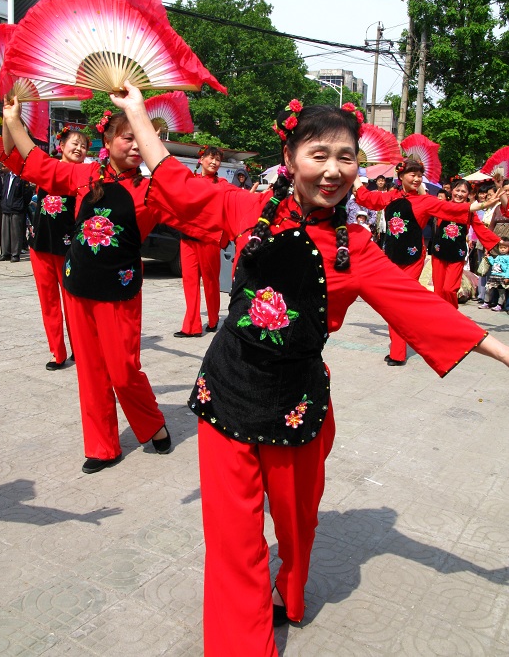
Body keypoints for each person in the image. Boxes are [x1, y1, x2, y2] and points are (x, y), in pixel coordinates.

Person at [107, 82, 509, 657]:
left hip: (297, 405)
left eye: (345, 157)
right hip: (226, 390)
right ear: (290, 158)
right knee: (233, 545)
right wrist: (137, 112)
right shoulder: (244, 209)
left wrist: (502, 352)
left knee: (295, 530)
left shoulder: (359, 247)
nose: (332, 169)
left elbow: (419, 307)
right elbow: (174, 177)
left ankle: (289, 593)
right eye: (318, 154)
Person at [2, 101, 172, 474]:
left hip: (120, 291)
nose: (134, 146)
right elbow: (37, 163)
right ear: (108, 141)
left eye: (140, 140)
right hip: (78, 286)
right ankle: (102, 445)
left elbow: (201, 208)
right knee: (91, 371)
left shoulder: (155, 189)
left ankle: (150, 422)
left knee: (123, 370)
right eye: (127, 138)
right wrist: (12, 121)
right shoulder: (85, 175)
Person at [355, 159, 500, 366]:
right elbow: (366, 198)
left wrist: (485, 204)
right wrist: (352, 175)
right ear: (401, 176)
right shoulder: (389, 196)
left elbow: (455, 209)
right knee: (391, 304)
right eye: (412, 174)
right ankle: (405, 343)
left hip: (413, 258)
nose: (416, 179)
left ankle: (403, 349)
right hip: (390, 258)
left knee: (402, 304)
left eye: (419, 175)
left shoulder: (426, 201)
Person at [29, 127, 90, 370]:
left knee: (74, 302)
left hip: (69, 251)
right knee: (49, 302)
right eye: (74, 143)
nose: (79, 148)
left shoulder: (87, 175)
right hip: (40, 246)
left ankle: (79, 348)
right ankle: (57, 352)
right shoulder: (46, 169)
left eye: (83, 145)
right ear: (61, 145)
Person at [174, 146, 228, 338]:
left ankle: (213, 320)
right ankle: (191, 326)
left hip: (209, 239)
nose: (214, 162)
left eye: (217, 160)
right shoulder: (191, 180)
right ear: (201, 160)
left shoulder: (221, 184)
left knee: (211, 281)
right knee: (189, 282)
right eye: (211, 158)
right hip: (187, 238)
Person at [431, 178, 499, 308]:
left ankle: (451, 314)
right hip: (439, 252)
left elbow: (481, 230)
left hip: (457, 255)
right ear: (451, 190)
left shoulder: (470, 212)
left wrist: (498, 241)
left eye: (463, 191)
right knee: (438, 291)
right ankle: (439, 317)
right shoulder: (442, 206)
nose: (459, 194)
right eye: (457, 190)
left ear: (469, 194)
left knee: (449, 289)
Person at [0, 167, 32, 262]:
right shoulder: (7, 176)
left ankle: (15, 254)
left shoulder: (22, 177)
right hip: (6, 207)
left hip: (17, 208)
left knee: (16, 232)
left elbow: (27, 194)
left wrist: (21, 205)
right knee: (5, 232)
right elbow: (4, 192)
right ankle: (5, 253)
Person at [479, 239, 509, 311]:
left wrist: (507, 277)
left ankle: (499, 305)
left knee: (501, 291)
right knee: (488, 289)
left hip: (502, 276)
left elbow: (508, 268)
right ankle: (486, 302)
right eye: (501, 247)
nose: (502, 249)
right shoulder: (498, 256)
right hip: (493, 275)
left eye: (505, 248)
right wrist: (489, 258)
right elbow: (493, 263)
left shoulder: (508, 258)